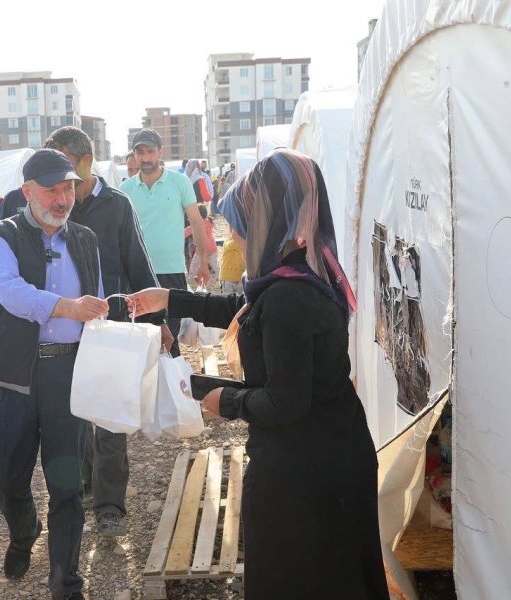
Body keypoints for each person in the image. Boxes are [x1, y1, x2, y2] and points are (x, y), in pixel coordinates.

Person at [128, 149, 388, 600]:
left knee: (297, 578)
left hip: (304, 474)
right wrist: (170, 298)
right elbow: (248, 312)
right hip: (334, 451)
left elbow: (285, 403)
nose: (235, 243)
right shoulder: (305, 269)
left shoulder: (288, 294)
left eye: (240, 228)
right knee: (339, 575)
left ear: (272, 222)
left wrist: (222, 402)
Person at [0, 149, 108, 600]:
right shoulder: (1, 236)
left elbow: (97, 296)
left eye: (68, 187)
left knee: (67, 484)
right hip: (16, 375)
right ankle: (23, 532)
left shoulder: (86, 239)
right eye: (52, 189)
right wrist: (66, 307)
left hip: (67, 375)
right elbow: (12, 293)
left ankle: (65, 581)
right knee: (7, 477)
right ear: (27, 191)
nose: (62, 198)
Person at [43, 127, 164, 539]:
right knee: (75, 411)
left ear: (84, 161)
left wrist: (158, 321)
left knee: (110, 416)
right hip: (60, 330)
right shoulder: (46, 206)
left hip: (109, 328)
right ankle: (85, 481)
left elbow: (138, 264)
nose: (57, 186)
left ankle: (110, 506)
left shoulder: (116, 206)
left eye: (63, 167)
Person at [121, 129, 210, 356]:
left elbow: (196, 222)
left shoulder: (179, 182)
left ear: (160, 151)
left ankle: (173, 385)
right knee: (142, 338)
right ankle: (146, 389)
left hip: (171, 273)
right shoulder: (125, 190)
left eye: (150, 151)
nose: (146, 157)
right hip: (137, 275)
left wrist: (202, 261)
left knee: (170, 337)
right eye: (140, 152)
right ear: (134, 154)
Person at [184, 204, 218, 288]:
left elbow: (185, 233)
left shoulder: (196, 225)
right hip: (212, 249)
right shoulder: (209, 222)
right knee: (214, 267)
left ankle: (196, 280)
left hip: (201, 250)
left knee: (193, 269)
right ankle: (213, 280)